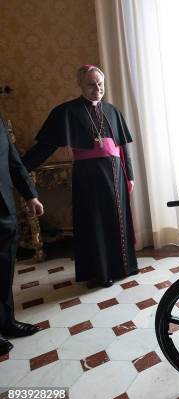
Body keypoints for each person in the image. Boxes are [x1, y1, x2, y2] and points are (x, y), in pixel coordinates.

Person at [22, 65, 138, 287]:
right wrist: (20, 167)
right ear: (81, 85)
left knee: (118, 219)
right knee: (95, 223)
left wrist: (129, 175)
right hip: (89, 177)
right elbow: (45, 146)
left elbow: (123, 147)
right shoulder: (66, 111)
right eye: (91, 84)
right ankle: (102, 272)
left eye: (100, 84)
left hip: (116, 174)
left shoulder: (112, 110)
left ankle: (123, 267)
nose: (97, 88)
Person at [0, 117, 44, 356]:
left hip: (4, 210)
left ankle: (8, 322)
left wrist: (31, 196)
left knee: (5, 268)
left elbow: (14, 163)